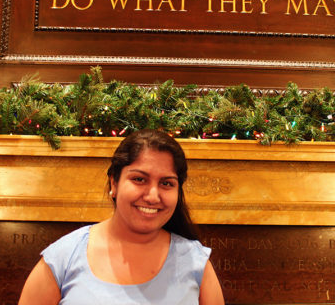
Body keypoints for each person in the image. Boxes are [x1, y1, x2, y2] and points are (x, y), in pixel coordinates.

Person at [19, 129, 224, 304]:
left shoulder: (196, 263)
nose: (153, 196)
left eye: (167, 183)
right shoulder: (64, 258)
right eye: (139, 179)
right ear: (114, 183)